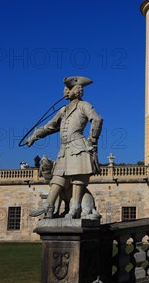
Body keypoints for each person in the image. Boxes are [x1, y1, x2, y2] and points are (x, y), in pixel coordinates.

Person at [27, 76, 103, 219]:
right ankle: (48, 205)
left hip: (78, 146)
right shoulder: (63, 110)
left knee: (77, 179)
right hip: (64, 149)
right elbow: (50, 126)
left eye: (68, 88)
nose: (65, 91)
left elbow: (97, 119)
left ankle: (74, 208)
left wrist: (92, 140)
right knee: (57, 177)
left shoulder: (84, 105)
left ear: (77, 90)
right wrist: (34, 136)